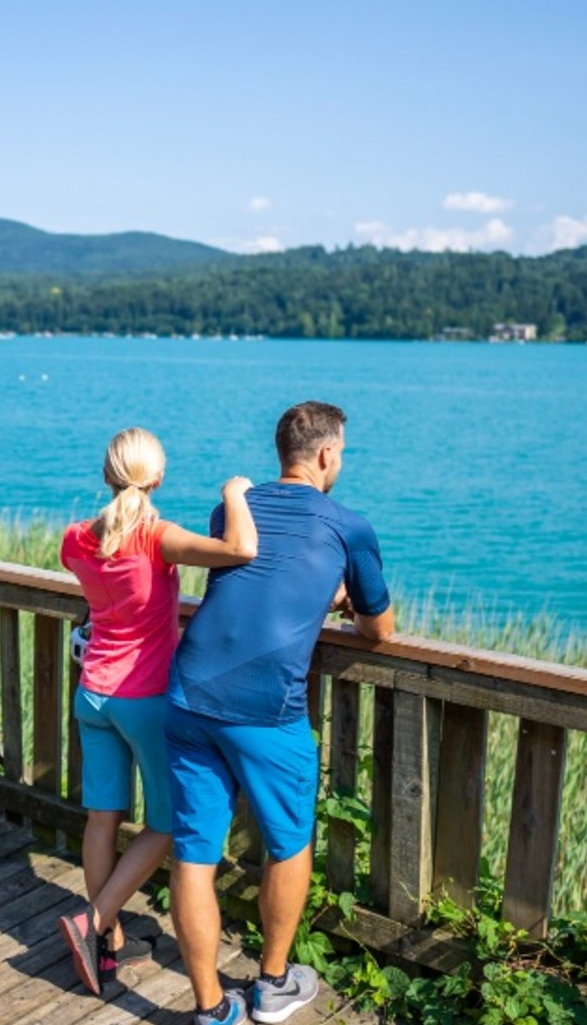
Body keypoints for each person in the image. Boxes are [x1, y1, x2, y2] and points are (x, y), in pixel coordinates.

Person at [166, 401, 395, 1025]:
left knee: (193, 854)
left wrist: (323, 591)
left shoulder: (230, 510)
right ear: (326, 455)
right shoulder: (348, 525)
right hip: (266, 708)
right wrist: (343, 599)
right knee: (289, 843)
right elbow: (381, 631)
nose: (340, 461)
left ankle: (213, 1010)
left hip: (187, 692)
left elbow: (254, 578)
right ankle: (271, 985)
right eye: (341, 452)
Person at [54, 427, 261, 995]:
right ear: (159, 477)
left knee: (102, 818)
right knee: (168, 823)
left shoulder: (75, 539)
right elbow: (242, 549)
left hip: (91, 692)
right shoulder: (157, 537)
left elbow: (101, 588)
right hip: (141, 698)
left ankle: (106, 943)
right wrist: (236, 494)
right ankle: (93, 922)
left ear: (106, 474)